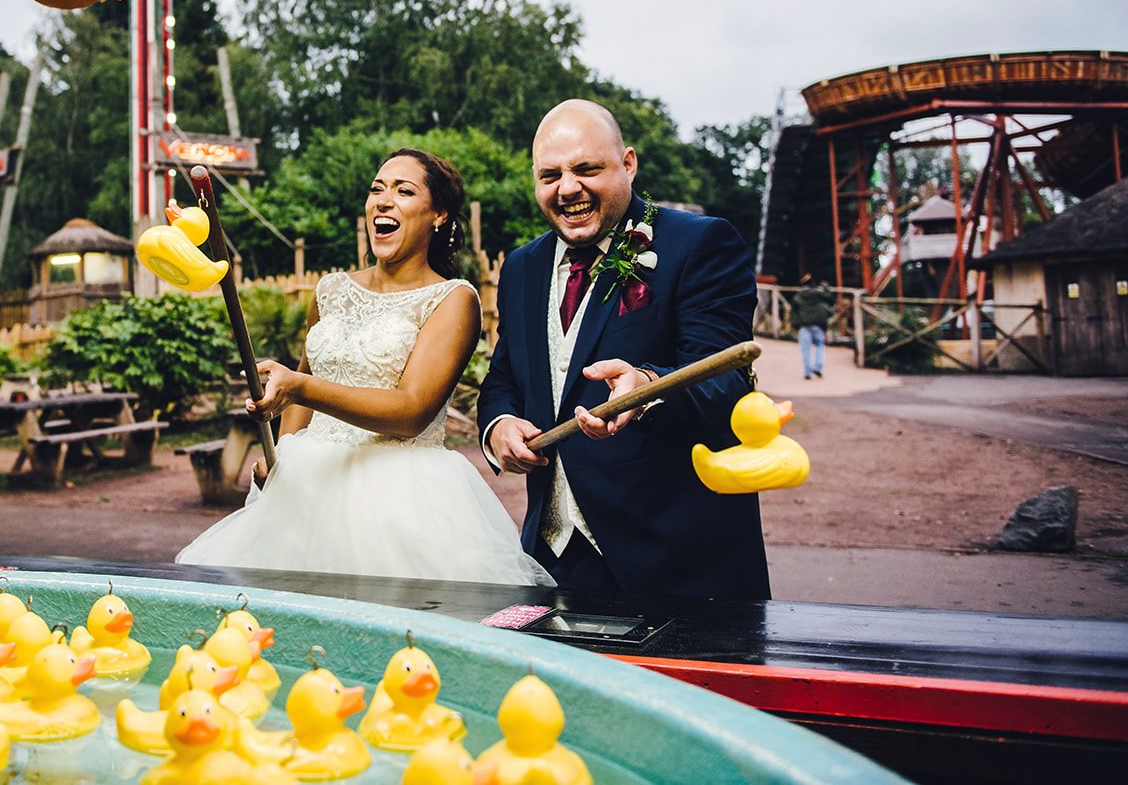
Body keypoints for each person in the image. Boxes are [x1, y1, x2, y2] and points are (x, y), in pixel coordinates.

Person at [177, 148, 552, 586]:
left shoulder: (454, 299)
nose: (383, 200)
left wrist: (298, 387)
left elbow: (412, 411)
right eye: (377, 189)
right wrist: (280, 456)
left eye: (403, 191)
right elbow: (309, 375)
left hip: (400, 499)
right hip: (304, 492)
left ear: (439, 215)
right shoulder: (331, 289)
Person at [477, 100, 769, 599]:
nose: (568, 188)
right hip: (553, 559)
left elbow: (724, 381)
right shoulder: (522, 268)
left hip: (678, 562)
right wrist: (499, 424)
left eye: (586, 169)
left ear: (628, 163)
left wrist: (649, 386)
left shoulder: (701, 244)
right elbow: (505, 376)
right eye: (550, 175)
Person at [789, 274, 836, 379]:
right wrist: (826, 288)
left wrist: (795, 325)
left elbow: (793, 313)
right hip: (817, 324)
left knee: (805, 349)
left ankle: (807, 372)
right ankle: (818, 368)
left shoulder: (798, 296)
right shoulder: (818, 293)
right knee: (820, 345)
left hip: (804, 325)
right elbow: (830, 298)